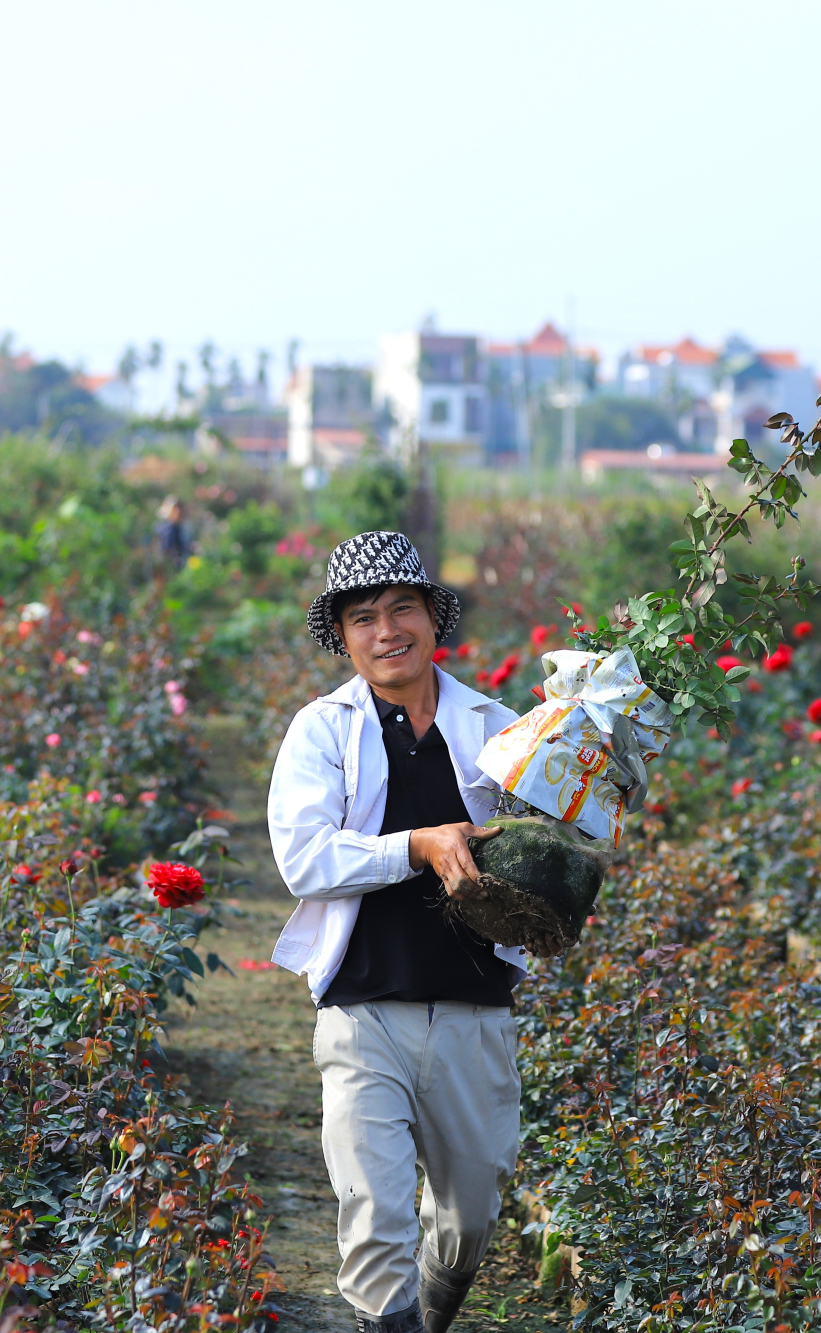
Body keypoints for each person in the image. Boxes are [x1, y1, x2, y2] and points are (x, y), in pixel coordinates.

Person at [267, 530, 525, 1333]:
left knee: (471, 1211)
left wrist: (601, 772)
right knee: (376, 1211)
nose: (387, 631)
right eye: (365, 617)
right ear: (343, 639)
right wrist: (416, 844)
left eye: (402, 608)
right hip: (363, 1008)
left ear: (432, 619)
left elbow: (552, 835)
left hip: (474, 1005)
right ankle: (391, 1321)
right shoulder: (322, 731)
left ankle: (430, 1313)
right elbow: (305, 858)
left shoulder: (498, 727)